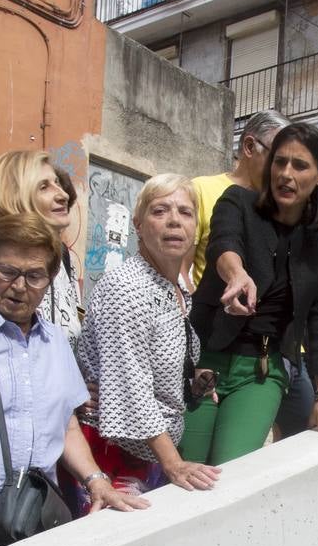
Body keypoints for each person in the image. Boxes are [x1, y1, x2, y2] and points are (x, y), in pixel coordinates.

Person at [0, 214, 148, 546]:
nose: (19, 286)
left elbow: (66, 426)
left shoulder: (55, 342)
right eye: (7, 271)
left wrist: (96, 481)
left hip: (33, 527)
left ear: (50, 278)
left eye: (34, 276)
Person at [182, 122, 318, 465]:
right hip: (203, 361)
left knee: (230, 471)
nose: (286, 174)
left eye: (300, 165)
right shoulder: (238, 201)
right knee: (185, 469)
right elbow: (224, 243)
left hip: (261, 372)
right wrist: (236, 275)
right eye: (280, 162)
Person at [76, 175, 222, 504]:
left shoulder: (176, 287)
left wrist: (194, 378)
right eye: (160, 211)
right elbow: (131, 384)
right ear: (138, 225)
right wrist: (174, 463)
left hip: (150, 451)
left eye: (185, 213)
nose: (174, 221)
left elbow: (158, 359)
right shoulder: (126, 287)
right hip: (109, 452)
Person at [0, 150, 82, 346]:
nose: (63, 195)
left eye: (57, 183)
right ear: (12, 199)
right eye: (44, 187)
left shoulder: (62, 264)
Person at [187, 109, 290, 289]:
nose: (286, 170)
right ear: (250, 147)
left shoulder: (284, 206)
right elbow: (181, 271)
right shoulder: (201, 190)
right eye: (279, 158)